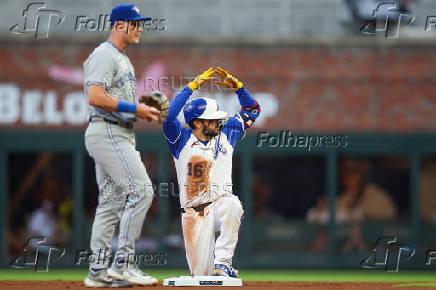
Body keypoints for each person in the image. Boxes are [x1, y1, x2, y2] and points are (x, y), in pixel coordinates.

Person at [83, 3, 161, 287]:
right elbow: (95, 95)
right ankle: (125, 264)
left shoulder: (122, 58)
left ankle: (98, 273)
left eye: (140, 23)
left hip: (116, 131)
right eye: (134, 23)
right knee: (142, 191)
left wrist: (140, 110)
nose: (139, 28)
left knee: (111, 204)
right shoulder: (105, 55)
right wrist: (135, 108)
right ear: (118, 25)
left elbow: (116, 102)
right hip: (108, 131)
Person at [163, 67, 261, 277]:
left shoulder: (228, 131)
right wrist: (192, 86)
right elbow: (169, 117)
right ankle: (218, 271)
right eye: (212, 118)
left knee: (232, 204)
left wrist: (239, 88)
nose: (218, 121)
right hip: (193, 214)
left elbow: (253, 110)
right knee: (203, 279)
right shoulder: (180, 140)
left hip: (219, 204)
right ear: (197, 122)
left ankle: (224, 263)